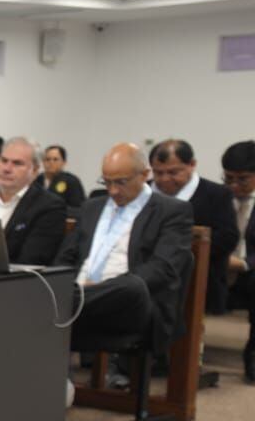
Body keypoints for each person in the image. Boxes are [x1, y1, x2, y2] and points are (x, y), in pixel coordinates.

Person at [55, 142, 193, 356]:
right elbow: (66, 256)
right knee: (44, 283)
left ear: (145, 174)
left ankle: (70, 300)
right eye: (107, 182)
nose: (113, 190)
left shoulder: (171, 211)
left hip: (130, 304)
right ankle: (72, 299)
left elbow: (163, 268)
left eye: (121, 182)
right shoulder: (92, 207)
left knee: (133, 286)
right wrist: (63, 283)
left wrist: (103, 287)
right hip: (80, 293)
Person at [147, 139, 240, 314]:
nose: (165, 179)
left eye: (173, 172)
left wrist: (175, 248)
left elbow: (228, 238)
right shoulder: (142, 192)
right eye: (158, 172)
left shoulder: (217, 194)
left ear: (191, 165)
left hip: (201, 283)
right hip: (149, 282)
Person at [0, 137, 67, 264]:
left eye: (17, 163)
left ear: (35, 171)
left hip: (14, 275)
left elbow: (32, 259)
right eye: (4, 161)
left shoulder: (48, 206)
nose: (7, 169)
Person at [221, 140, 255, 382]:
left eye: (242, 179)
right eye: (228, 179)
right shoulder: (218, 198)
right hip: (216, 270)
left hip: (249, 273)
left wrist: (243, 264)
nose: (234, 186)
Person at [34, 143, 85, 210]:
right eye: (47, 159)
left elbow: (78, 208)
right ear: (43, 162)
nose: (51, 162)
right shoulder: (36, 180)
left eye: (55, 159)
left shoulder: (71, 181)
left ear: (64, 162)